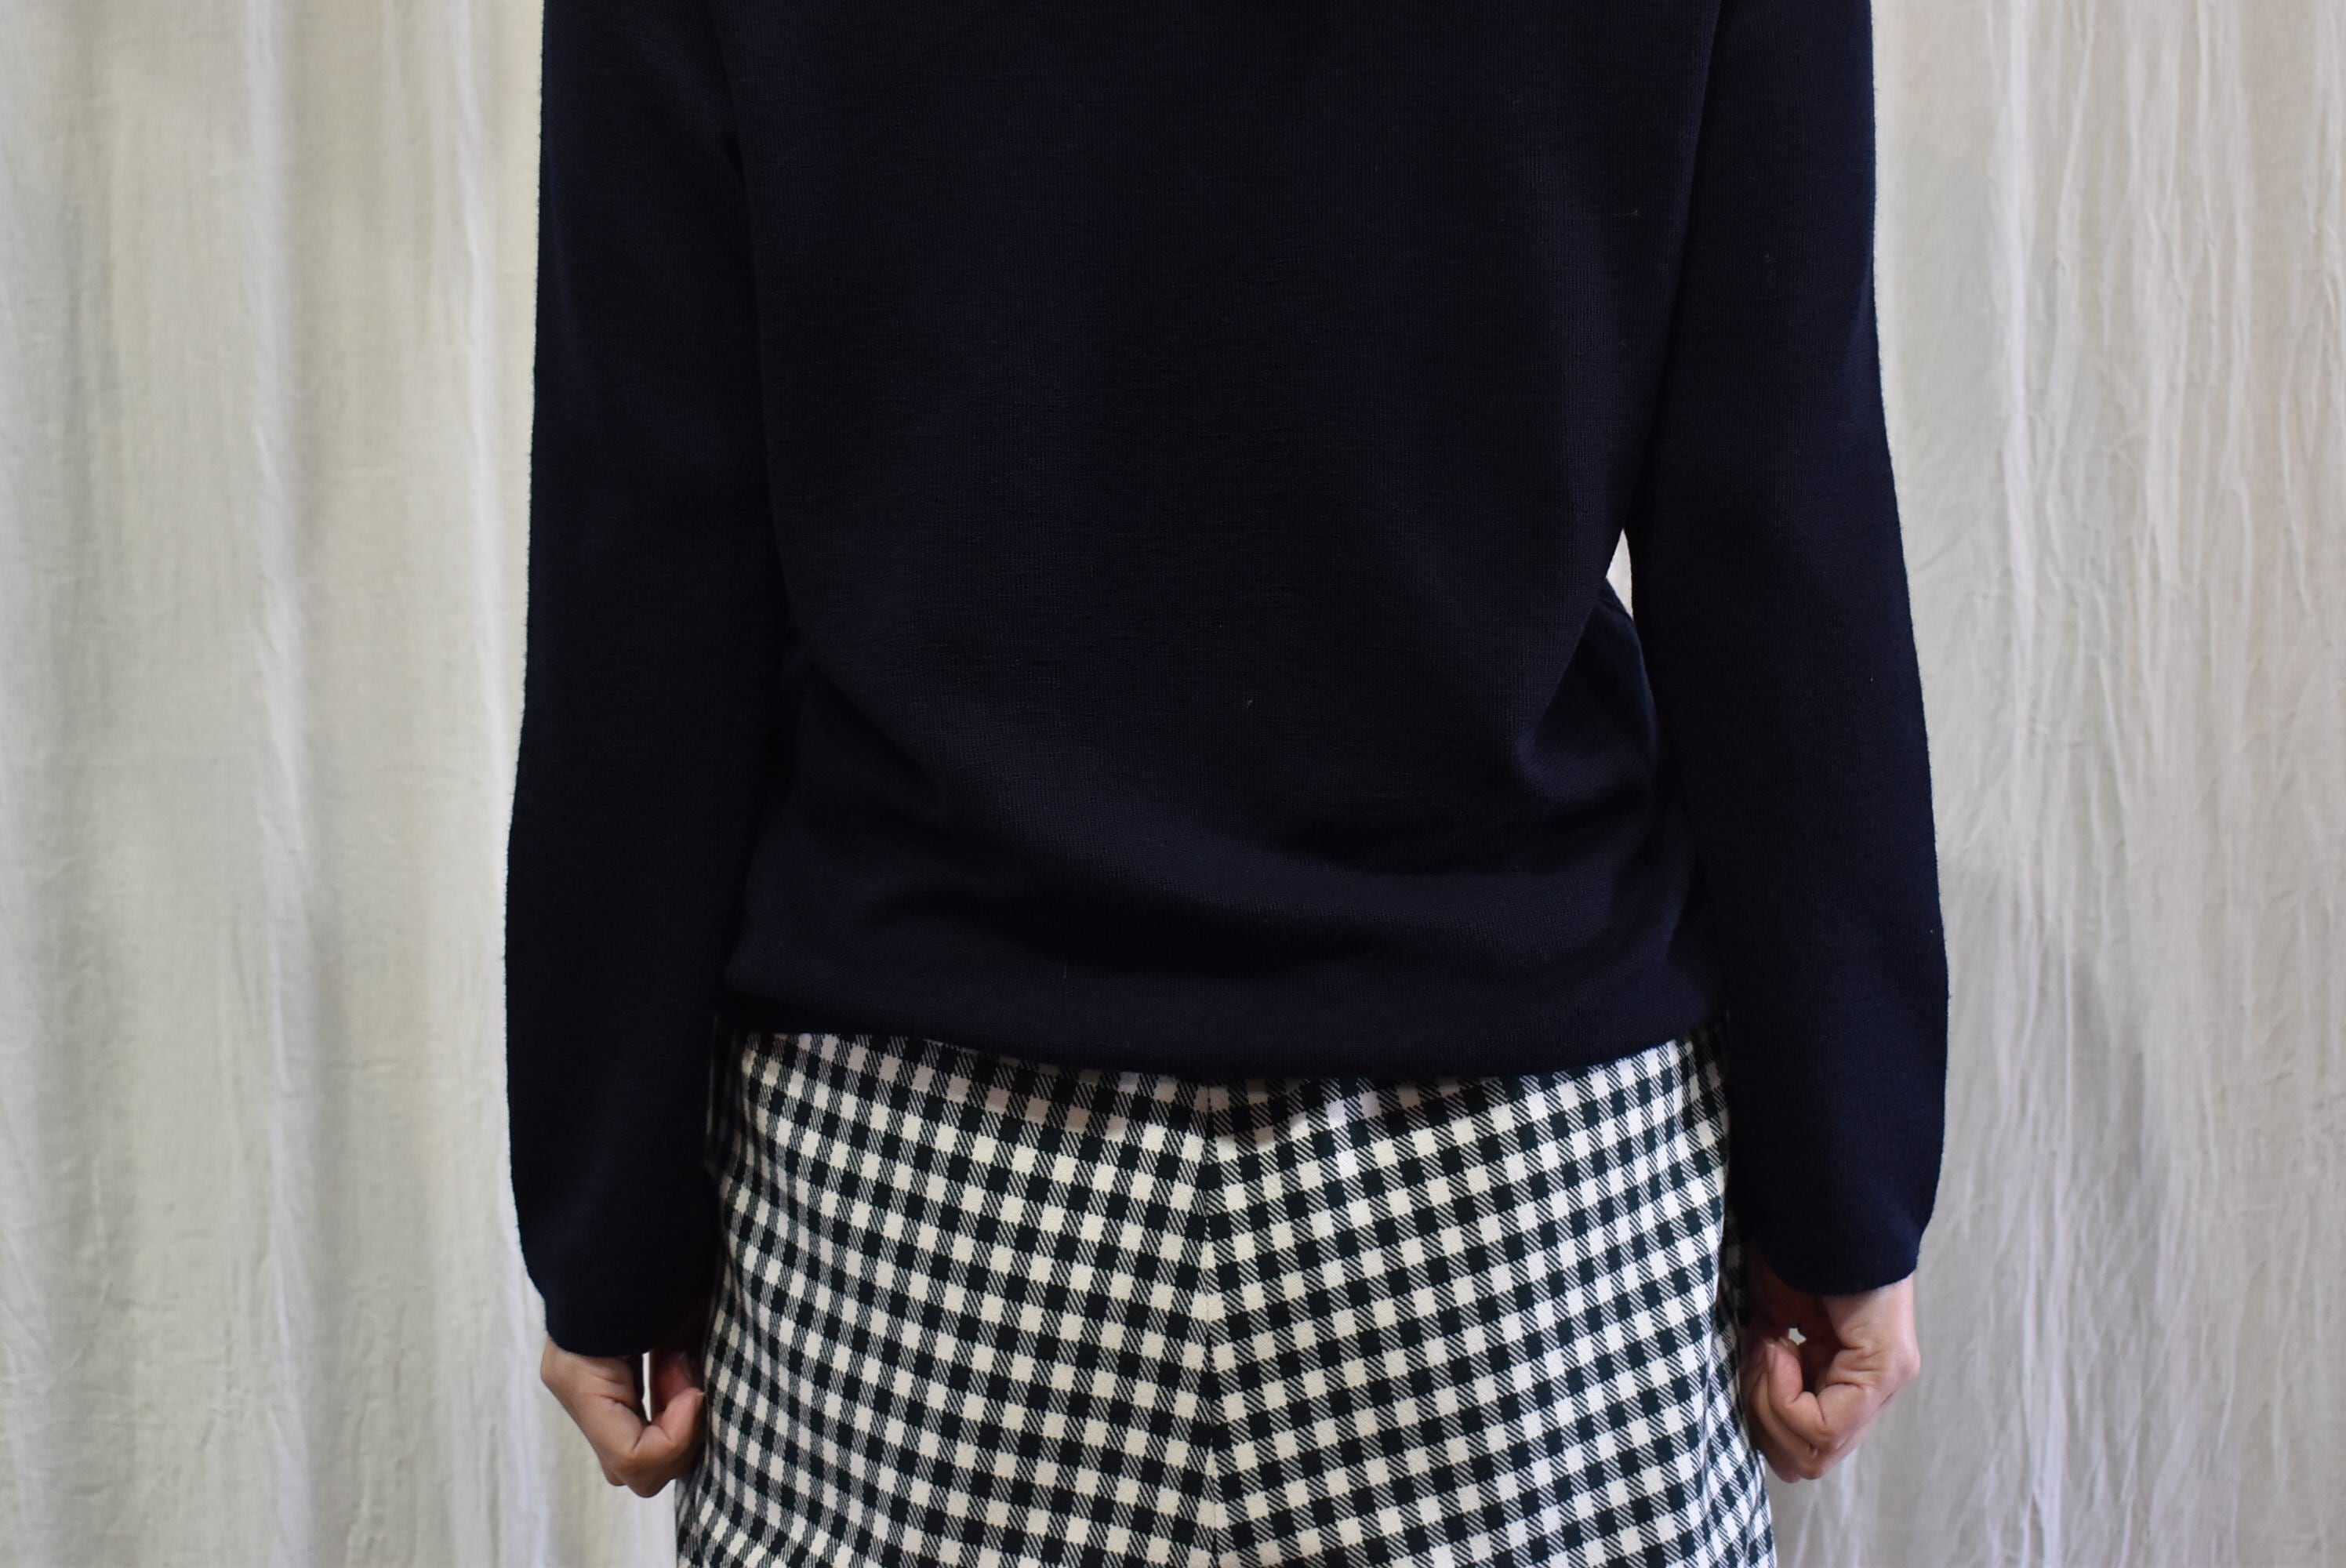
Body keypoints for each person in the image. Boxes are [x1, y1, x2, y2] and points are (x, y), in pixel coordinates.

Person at [504, 0, 1946, 1561]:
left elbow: (651, 553)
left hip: (921, 1211)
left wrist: (612, 1229)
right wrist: (1841, 1191)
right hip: (1509, 1226)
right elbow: (1772, 538)